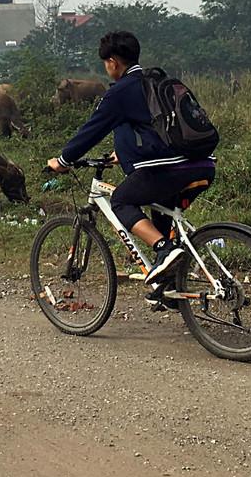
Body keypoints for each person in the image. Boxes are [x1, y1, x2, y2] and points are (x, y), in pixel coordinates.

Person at [46, 30, 216, 295]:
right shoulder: (158, 81)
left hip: (169, 169)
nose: (107, 69)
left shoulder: (121, 90)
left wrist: (63, 159)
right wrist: (123, 155)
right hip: (202, 163)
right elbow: (156, 129)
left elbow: (92, 130)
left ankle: (164, 249)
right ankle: (169, 288)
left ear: (113, 62)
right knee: (160, 209)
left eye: (106, 64)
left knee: (122, 202)